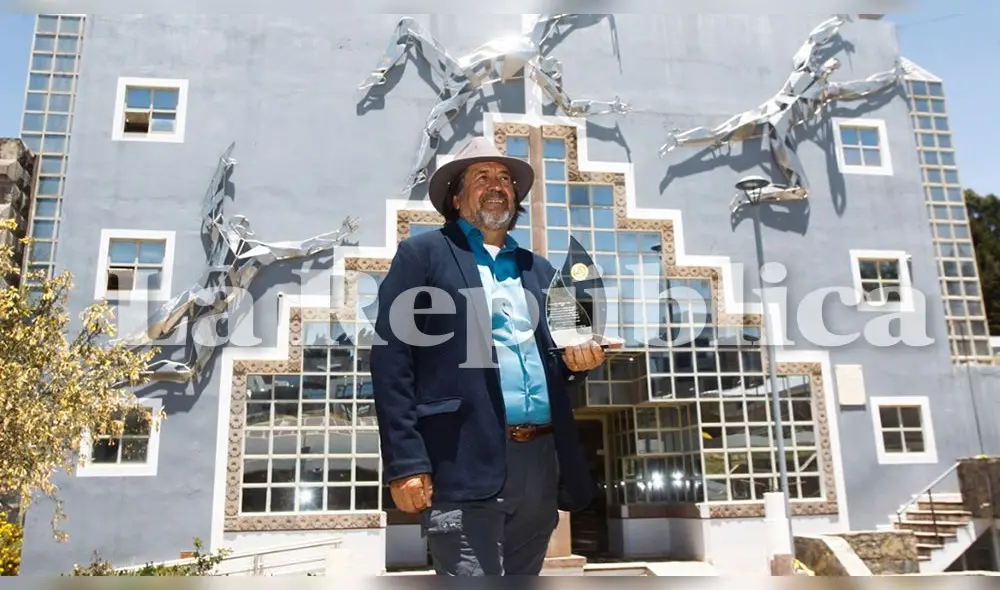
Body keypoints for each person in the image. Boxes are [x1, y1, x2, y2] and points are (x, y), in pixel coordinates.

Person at [371, 136, 620, 576]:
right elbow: (393, 361)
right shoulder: (423, 256)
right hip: (462, 457)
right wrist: (406, 462)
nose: (497, 185)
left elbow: (555, 366)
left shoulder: (539, 270)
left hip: (540, 465)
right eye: (482, 176)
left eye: (505, 178)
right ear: (456, 196)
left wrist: (579, 361)